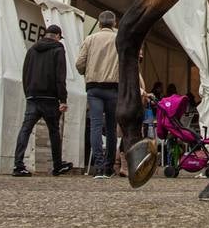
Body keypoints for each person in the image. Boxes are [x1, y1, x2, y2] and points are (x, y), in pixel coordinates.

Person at [76, 11, 146, 178]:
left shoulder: (90, 39)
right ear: (114, 24)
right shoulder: (120, 40)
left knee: (95, 125)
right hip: (114, 88)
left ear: (99, 24)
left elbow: (79, 64)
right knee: (112, 128)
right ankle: (108, 167)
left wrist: (89, 70)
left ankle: (98, 166)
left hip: (94, 88)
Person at [12, 23, 72, 176]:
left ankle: (18, 165)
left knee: (25, 130)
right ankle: (57, 165)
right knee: (54, 131)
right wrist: (63, 99)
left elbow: (25, 73)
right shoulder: (58, 50)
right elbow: (60, 76)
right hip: (50, 98)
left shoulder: (32, 49)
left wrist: (28, 93)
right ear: (58, 36)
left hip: (33, 96)